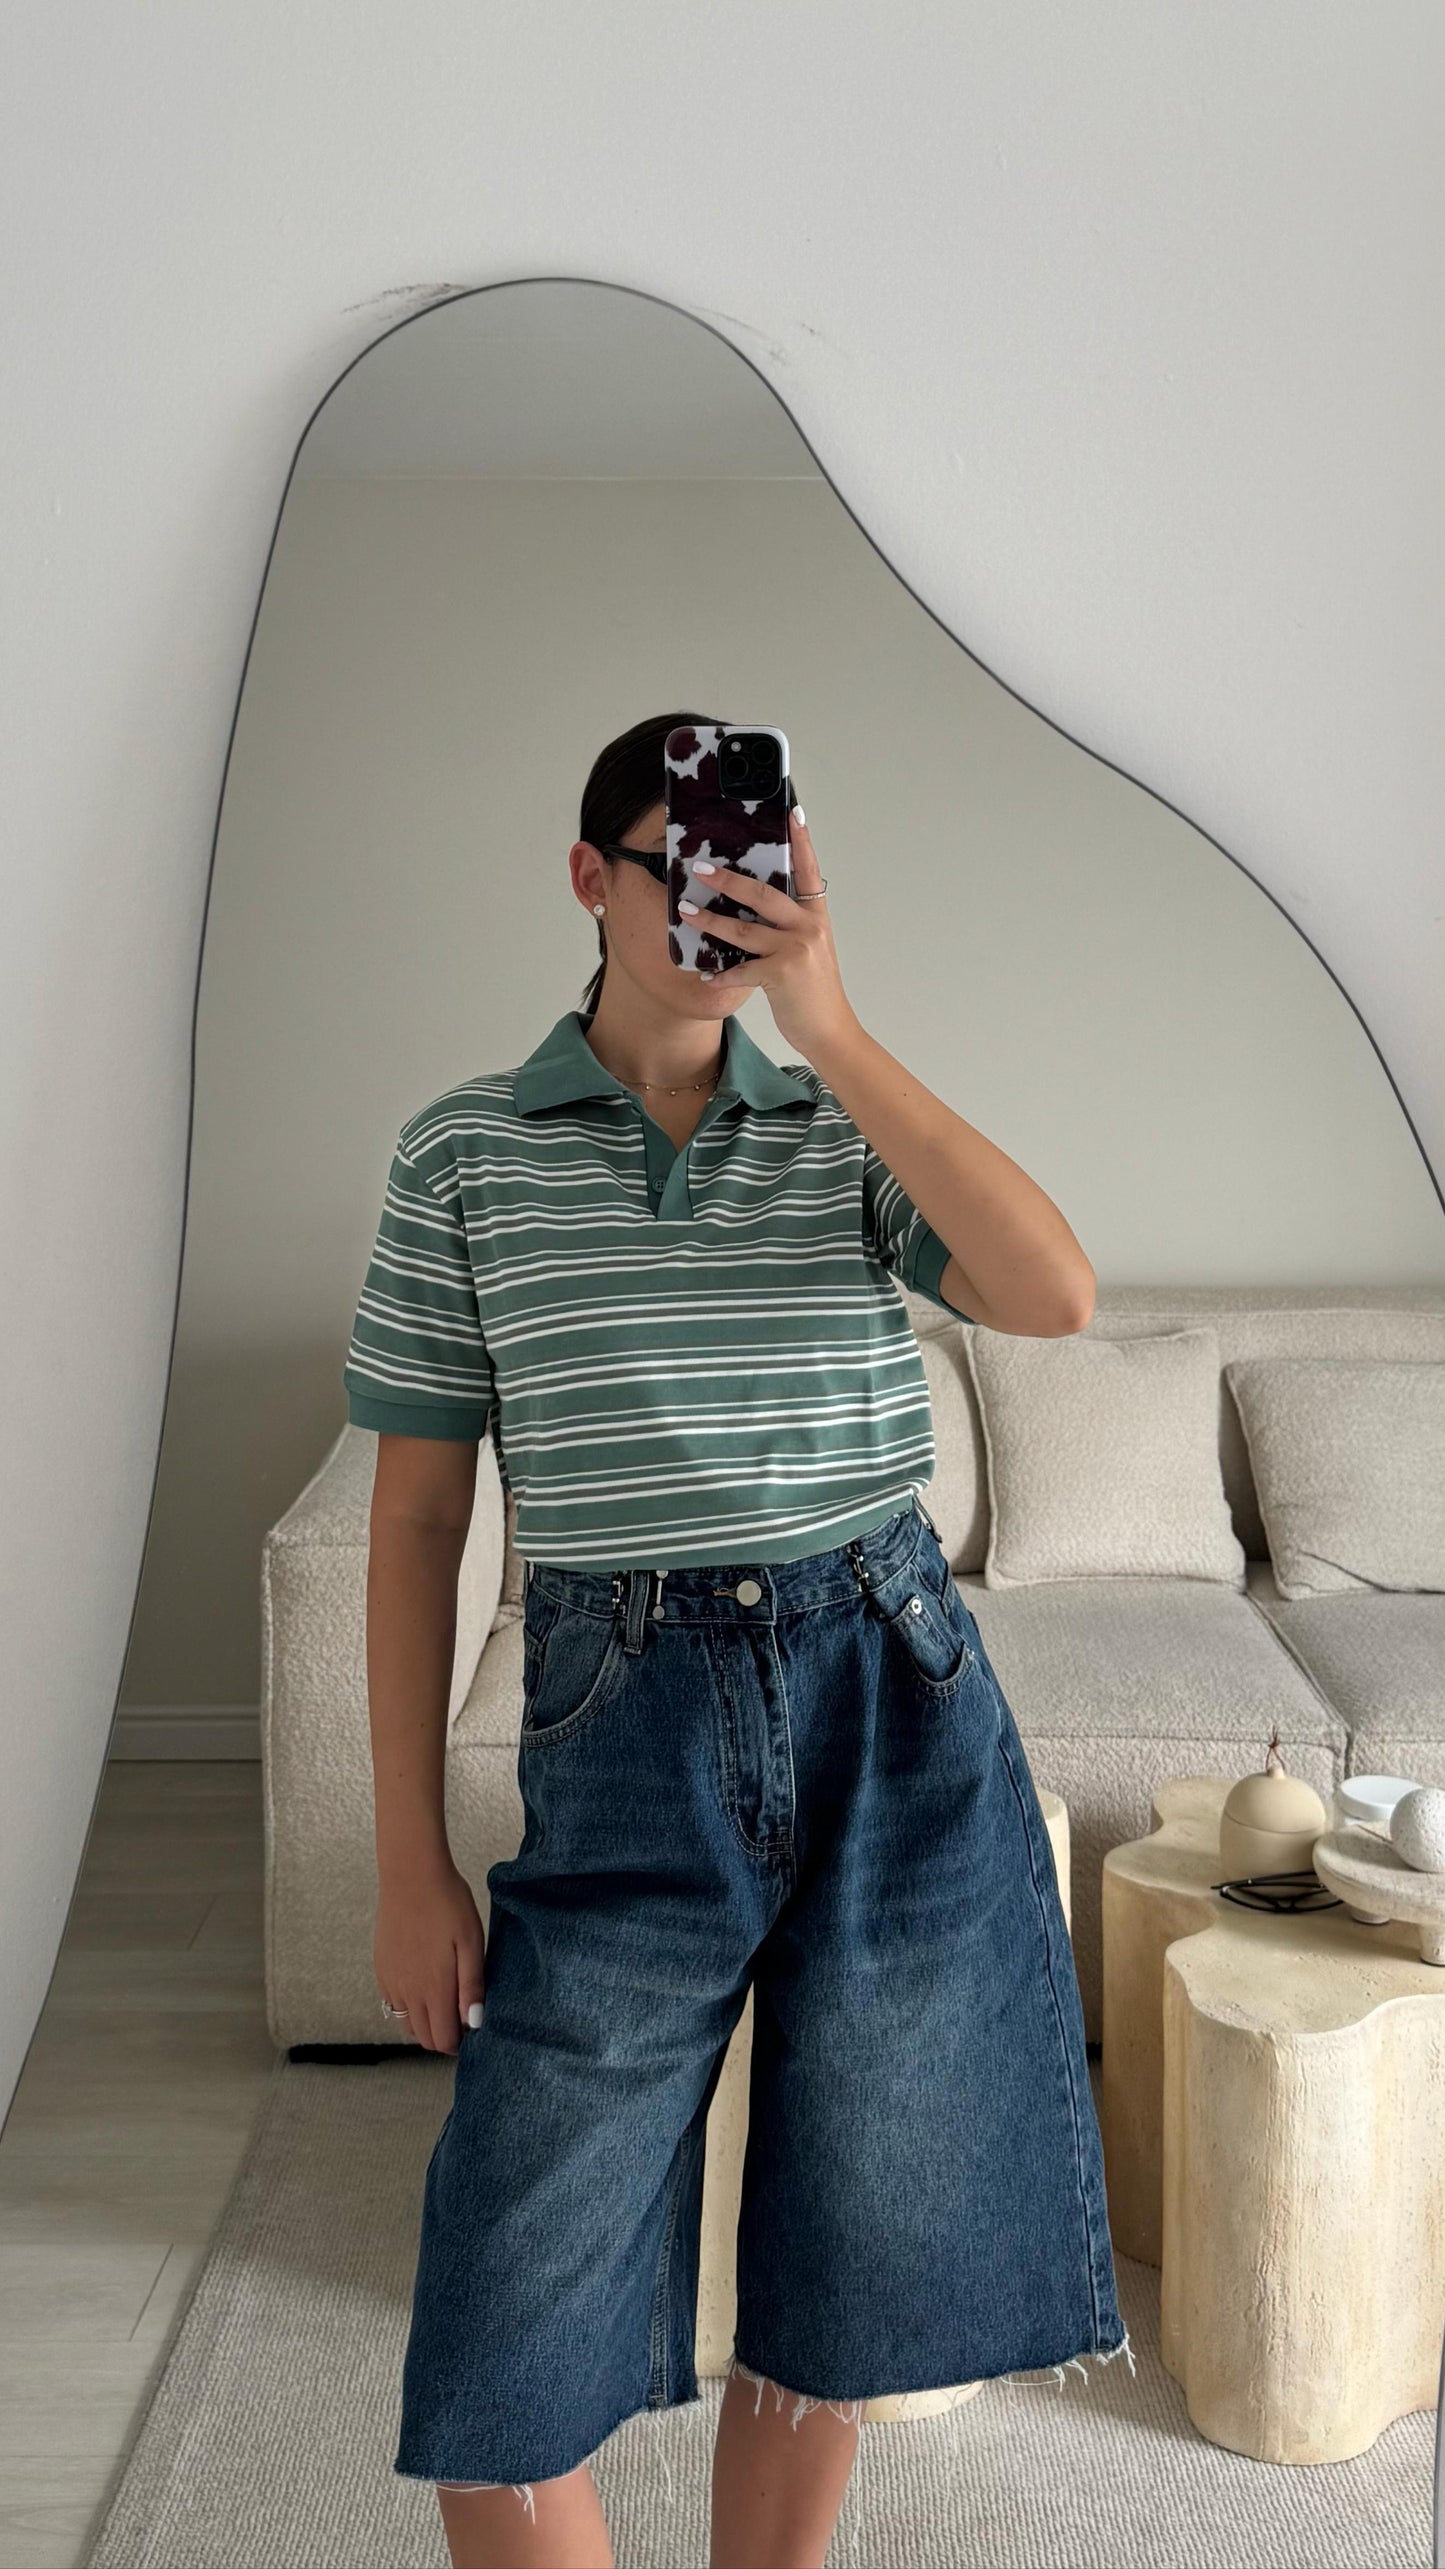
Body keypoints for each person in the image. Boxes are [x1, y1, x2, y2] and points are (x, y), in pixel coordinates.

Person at [344, 710, 1127, 2569]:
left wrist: (829, 1027)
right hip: (625, 1725)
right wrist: (406, 1854)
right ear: (589, 876)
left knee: (851, 2264)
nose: (721, 906)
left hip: (894, 1699)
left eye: (756, 867)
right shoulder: (464, 1154)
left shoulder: (838, 1130)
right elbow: (422, 1519)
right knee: (503, 2319)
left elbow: (1054, 1294)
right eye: (681, 865)